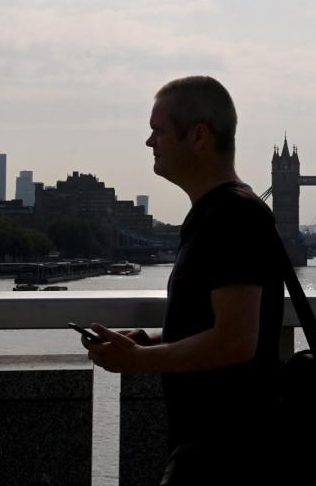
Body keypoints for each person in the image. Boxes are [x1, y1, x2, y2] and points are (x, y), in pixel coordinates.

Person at [82, 76, 284, 485]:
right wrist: (155, 341)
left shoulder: (232, 218)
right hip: (213, 449)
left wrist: (139, 361)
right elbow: (219, 329)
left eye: (158, 130)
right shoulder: (216, 213)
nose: (149, 142)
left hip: (227, 456)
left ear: (198, 136)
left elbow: (236, 341)